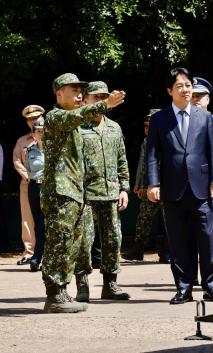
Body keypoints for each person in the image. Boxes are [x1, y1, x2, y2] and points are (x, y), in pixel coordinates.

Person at [42, 73, 125, 313]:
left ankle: (62, 292)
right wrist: (104, 105)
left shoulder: (76, 124)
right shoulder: (55, 116)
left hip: (75, 193)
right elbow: (76, 116)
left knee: (71, 244)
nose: (79, 94)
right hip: (60, 192)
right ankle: (55, 294)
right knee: (59, 242)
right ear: (59, 95)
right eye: (74, 90)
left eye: (81, 91)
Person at [146, 67, 213, 304]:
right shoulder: (159, 119)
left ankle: (211, 285)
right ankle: (183, 287)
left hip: (201, 187)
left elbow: (212, 150)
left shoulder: (204, 116)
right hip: (172, 188)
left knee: (207, 238)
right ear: (170, 91)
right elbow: (152, 154)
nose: (185, 90)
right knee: (178, 241)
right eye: (179, 86)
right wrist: (152, 183)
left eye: (188, 85)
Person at [73, 81, 131, 302]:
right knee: (84, 241)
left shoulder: (114, 128)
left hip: (110, 193)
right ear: (85, 100)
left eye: (104, 97)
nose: (101, 101)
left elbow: (121, 160)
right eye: (96, 98)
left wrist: (124, 188)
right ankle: (82, 284)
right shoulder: (78, 127)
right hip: (86, 194)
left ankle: (110, 284)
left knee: (113, 239)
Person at [191, 77, 213, 287]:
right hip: (188, 185)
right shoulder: (181, 121)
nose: (196, 100)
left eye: (200, 96)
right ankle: (192, 274)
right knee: (190, 232)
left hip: (212, 184)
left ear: (208, 99)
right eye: (193, 95)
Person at [124, 109, 170, 263]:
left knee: (169, 222)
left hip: (165, 187)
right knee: (143, 220)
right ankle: (137, 250)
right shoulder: (145, 142)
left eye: (150, 124)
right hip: (147, 187)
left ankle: (167, 253)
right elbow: (142, 165)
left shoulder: (168, 139)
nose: (147, 128)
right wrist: (138, 184)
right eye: (145, 125)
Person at [13, 105, 44, 265]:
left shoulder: (50, 138)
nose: (34, 121)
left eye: (36, 117)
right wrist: (26, 176)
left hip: (46, 184)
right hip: (28, 184)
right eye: (30, 119)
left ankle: (43, 253)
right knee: (28, 219)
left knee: (45, 219)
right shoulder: (22, 141)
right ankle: (29, 252)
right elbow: (17, 160)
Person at [23, 118, 46, 272]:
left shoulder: (53, 149)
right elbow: (28, 170)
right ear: (33, 133)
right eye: (37, 131)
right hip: (33, 187)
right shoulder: (30, 150)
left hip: (48, 187)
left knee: (44, 223)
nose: (40, 133)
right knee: (37, 222)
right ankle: (39, 256)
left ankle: (37, 257)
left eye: (43, 130)